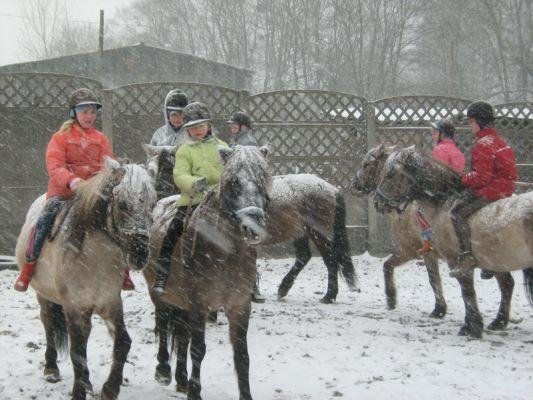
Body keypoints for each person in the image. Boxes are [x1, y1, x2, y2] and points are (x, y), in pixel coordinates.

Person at [14, 88, 135, 291]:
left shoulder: (101, 138)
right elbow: (54, 165)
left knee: (116, 220)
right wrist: (71, 181)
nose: (89, 116)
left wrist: (115, 172)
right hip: (64, 193)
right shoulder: (60, 138)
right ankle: (29, 267)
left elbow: (107, 163)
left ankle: (123, 271)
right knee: (45, 219)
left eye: (93, 112)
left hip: (94, 195)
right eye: (84, 111)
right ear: (74, 113)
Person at [153, 102, 228, 294]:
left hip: (220, 200)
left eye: (200, 126)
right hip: (193, 200)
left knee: (242, 230)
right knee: (171, 234)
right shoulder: (184, 150)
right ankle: (162, 275)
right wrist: (194, 183)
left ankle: (252, 282)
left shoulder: (222, 147)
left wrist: (220, 187)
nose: (197, 131)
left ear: (209, 125)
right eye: (192, 128)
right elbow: (179, 175)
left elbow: (230, 172)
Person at [449, 101, 517, 278]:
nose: (470, 126)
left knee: (457, 213)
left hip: (492, 190)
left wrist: (463, 178)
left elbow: (481, 178)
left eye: (471, 122)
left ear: (479, 122)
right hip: (506, 188)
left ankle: (466, 256)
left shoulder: (483, 144)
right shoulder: (499, 140)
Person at [226, 110, 265, 302]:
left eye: (234, 125)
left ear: (244, 127)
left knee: (247, 240)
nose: (231, 127)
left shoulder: (247, 142)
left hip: (246, 194)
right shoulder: (236, 140)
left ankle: (253, 285)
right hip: (241, 190)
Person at [416, 119, 466, 253]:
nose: (433, 135)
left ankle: (428, 242)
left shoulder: (440, 149)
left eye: (435, 132)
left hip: (445, 190)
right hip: (457, 189)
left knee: (420, 211)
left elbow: (437, 175)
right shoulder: (456, 149)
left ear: (443, 134)